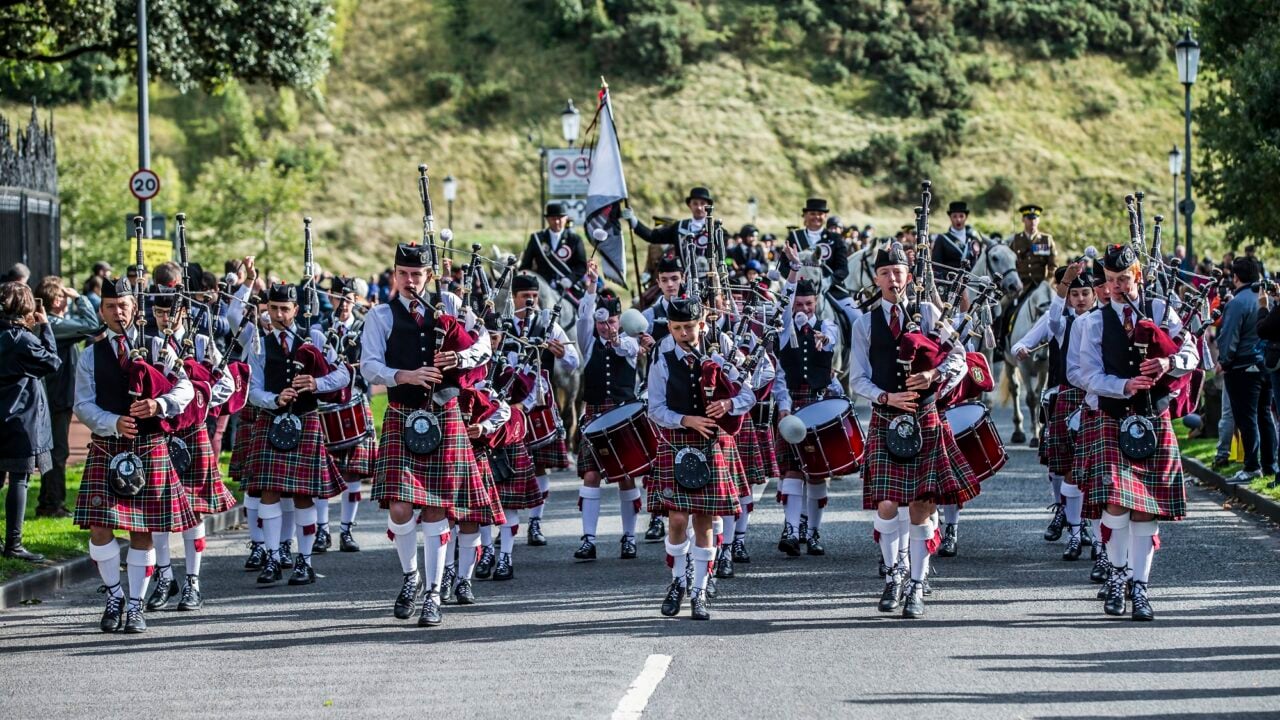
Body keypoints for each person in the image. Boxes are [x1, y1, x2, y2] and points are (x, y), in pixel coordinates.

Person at [361, 242, 494, 627]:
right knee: (400, 508)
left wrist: (460, 358)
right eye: (402, 273)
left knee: (437, 508)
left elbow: (484, 343)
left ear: (428, 275)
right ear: (394, 274)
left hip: (445, 412)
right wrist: (403, 375)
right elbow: (369, 365)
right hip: (403, 413)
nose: (409, 280)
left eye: (416, 274)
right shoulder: (381, 316)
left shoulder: (450, 305)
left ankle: (434, 593)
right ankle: (411, 577)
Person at [1067, 244, 1199, 621]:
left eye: (1123, 279)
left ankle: (1139, 587)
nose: (1116, 288)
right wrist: (1122, 386)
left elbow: (1192, 353)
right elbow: (1080, 373)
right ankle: (1116, 575)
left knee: (1146, 508)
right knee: (1115, 502)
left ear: (1137, 276)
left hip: (1152, 419)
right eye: (1110, 281)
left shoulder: (1160, 311)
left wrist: (1168, 362)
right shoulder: (1090, 322)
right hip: (1111, 416)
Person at [849, 243, 978, 618]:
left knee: (921, 506)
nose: (893, 279)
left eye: (899, 272)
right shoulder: (864, 323)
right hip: (887, 417)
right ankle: (894, 576)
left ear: (910, 277)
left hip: (924, 416)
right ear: (876, 279)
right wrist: (887, 397)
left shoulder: (929, 314)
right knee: (888, 505)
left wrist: (933, 376)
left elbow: (959, 359)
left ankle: (917, 585)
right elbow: (857, 378)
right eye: (886, 273)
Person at [73, 277, 199, 633]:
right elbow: (82, 403)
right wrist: (113, 422)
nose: (118, 313)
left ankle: (135, 605)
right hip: (108, 445)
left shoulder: (158, 347)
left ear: (134, 308)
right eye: (110, 307)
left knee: (142, 531)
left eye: (124, 306)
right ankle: (114, 596)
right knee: (100, 528)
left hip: (149, 446)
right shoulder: (90, 354)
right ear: (102, 310)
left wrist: (159, 403)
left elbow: (184, 386)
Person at [647, 297, 754, 620]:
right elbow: (654, 408)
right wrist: (686, 420)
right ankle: (678, 582)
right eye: (677, 328)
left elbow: (748, 393)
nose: (684, 333)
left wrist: (728, 405)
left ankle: (699, 592)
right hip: (678, 441)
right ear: (670, 328)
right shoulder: (662, 359)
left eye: (690, 327)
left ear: (703, 324)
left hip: (711, 443)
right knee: (677, 519)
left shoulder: (721, 355)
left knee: (704, 520)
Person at [244, 282, 350, 587]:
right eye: (273, 308)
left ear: (296, 310)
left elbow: (342, 373)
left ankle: (305, 561)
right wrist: (274, 399)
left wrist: (317, 384)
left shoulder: (314, 337)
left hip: (306, 420)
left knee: (304, 495)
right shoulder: (259, 343)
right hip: (273, 421)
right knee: (269, 492)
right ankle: (274, 557)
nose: (278, 314)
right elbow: (253, 390)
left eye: (284, 309)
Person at [143, 290, 239, 611]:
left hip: (194, 430)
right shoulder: (149, 343)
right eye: (158, 313)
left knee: (193, 508)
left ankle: (192, 581)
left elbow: (226, 384)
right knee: (157, 508)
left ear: (183, 312)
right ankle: (165, 576)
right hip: (158, 433)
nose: (164, 319)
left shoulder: (201, 343)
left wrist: (200, 397)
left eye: (169, 313)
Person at [1011, 262, 1099, 559]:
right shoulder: (1060, 321)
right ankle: (1072, 522)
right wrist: (1020, 348)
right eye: (1075, 294)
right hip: (1067, 397)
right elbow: (1045, 324)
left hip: (1099, 398)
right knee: (1062, 467)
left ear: (1095, 294)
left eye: (1085, 293)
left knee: (1092, 471)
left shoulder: (1103, 319)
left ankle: (1089, 530)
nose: (1080, 299)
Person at [573, 262, 644, 561]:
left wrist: (617, 338)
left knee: (626, 476)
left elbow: (625, 349)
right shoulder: (588, 343)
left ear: (620, 319)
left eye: (612, 321)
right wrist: (591, 286)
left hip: (623, 415)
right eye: (603, 322)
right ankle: (589, 539)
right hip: (594, 416)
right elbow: (582, 318)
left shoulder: (630, 341)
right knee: (590, 476)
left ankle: (629, 537)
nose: (607, 327)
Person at [774, 256, 844, 556]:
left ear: (816, 303)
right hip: (793, 402)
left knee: (816, 472)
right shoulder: (784, 330)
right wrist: (783, 407)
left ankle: (813, 532)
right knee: (791, 471)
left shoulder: (826, 325)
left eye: (809, 305)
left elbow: (831, 336)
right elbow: (779, 376)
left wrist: (823, 337)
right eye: (799, 305)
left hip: (818, 403)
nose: (804, 310)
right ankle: (790, 530)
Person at [510, 272, 581, 546]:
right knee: (507, 466)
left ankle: (536, 523)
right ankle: (507, 526)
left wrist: (562, 354)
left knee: (539, 465)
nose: (530, 301)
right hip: (510, 405)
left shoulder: (547, 324)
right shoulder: (504, 325)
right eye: (525, 296)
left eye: (534, 296)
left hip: (539, 404)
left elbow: (574, 362)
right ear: (514, 297)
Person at [0, 281, 61, 562]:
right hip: (20, 418)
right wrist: (45, 325)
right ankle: (14, 544)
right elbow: (52, 362)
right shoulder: (22, 339)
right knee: (19, 480)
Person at [33, 276, 99, 517]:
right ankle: (51, 504)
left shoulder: (54, 323)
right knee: (57, 452)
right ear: (57, 299)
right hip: (55, 397)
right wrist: (80, 299)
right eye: (63, 296)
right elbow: (92, 325)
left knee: (54, 451)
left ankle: (48, 500)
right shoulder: (55, 325)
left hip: (57, 396)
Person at [315, 276, 373, 553]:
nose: (345, 304)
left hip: (356, 402)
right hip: (324, 407)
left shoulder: (365, 328)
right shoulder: (318, 329)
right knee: (321, 472)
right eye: (340, 298)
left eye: (350, 299)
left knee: (353, 474)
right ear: (331, 297)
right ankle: (321, 530)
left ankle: (347, 531)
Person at [1216, 258, 1276, 483]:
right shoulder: (1266, 298)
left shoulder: (1236, 303)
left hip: (1241, 366)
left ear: (1236, 277)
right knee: (1265, 415)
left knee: (1246, 417)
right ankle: (1270, 464)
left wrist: (1225, 360)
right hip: (1265, 364)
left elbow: (1229, 335)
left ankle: (1252, 466)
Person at [520, 202, 589, 296]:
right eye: (553, 218)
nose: (556, 222)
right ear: (547, 219)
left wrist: (570, 279)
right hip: (542, 288)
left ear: (565, 219)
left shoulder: (575, 239)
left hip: (568, 288)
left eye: (559, 218)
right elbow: (525, 266)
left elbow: (581, 266)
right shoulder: (537, 239)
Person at [1007, 204, 1058, 294]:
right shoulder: (1015, 240)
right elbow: (1008, 264)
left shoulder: (1046, 239)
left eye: (1035, 218)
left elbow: (1053, 266)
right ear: (1023, 219)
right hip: (1020, 286)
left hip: (1040, 285)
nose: (1032, 221)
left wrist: (1046, 283)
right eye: (1029, 218)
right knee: (1003, 305)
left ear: (1038, 220)